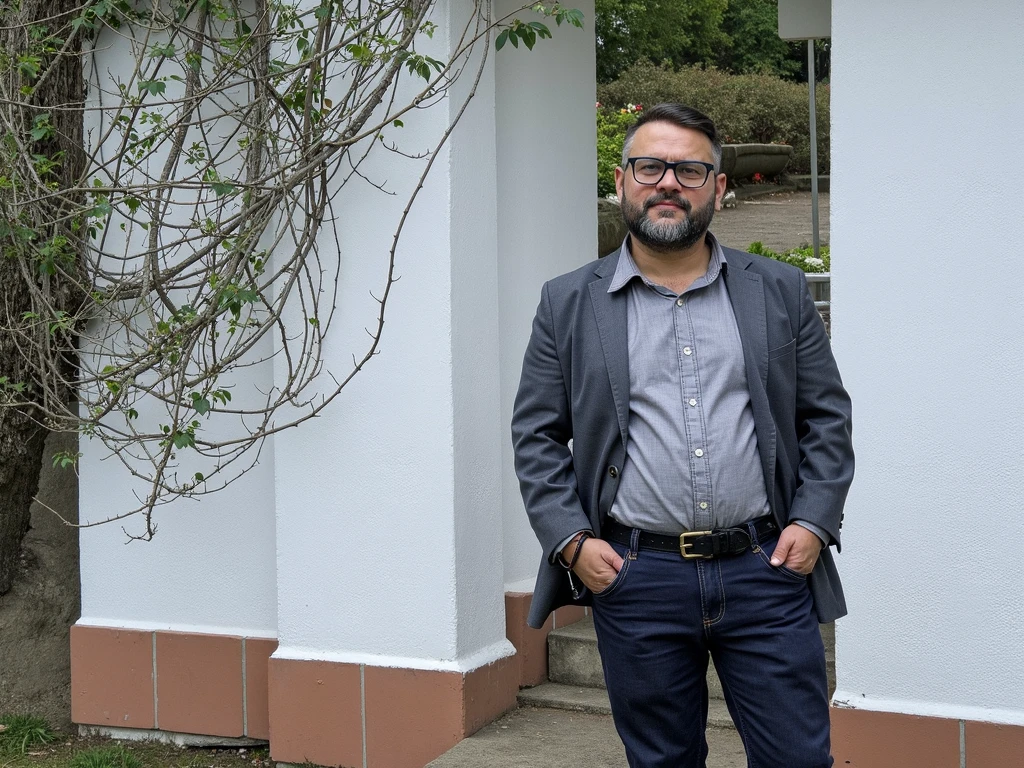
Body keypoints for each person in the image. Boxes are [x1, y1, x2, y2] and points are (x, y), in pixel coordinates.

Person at [511, 103, 854, 768]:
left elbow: (827, 418)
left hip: (767, 572)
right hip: (637, 579)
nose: (669, 181)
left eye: (690, 169)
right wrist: (573, 543)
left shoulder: (778, 291)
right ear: (622, 181)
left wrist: (812, 523)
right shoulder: (567, 302)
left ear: (719, 189)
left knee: (799, 760)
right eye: (651, 166)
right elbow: (536, 434)